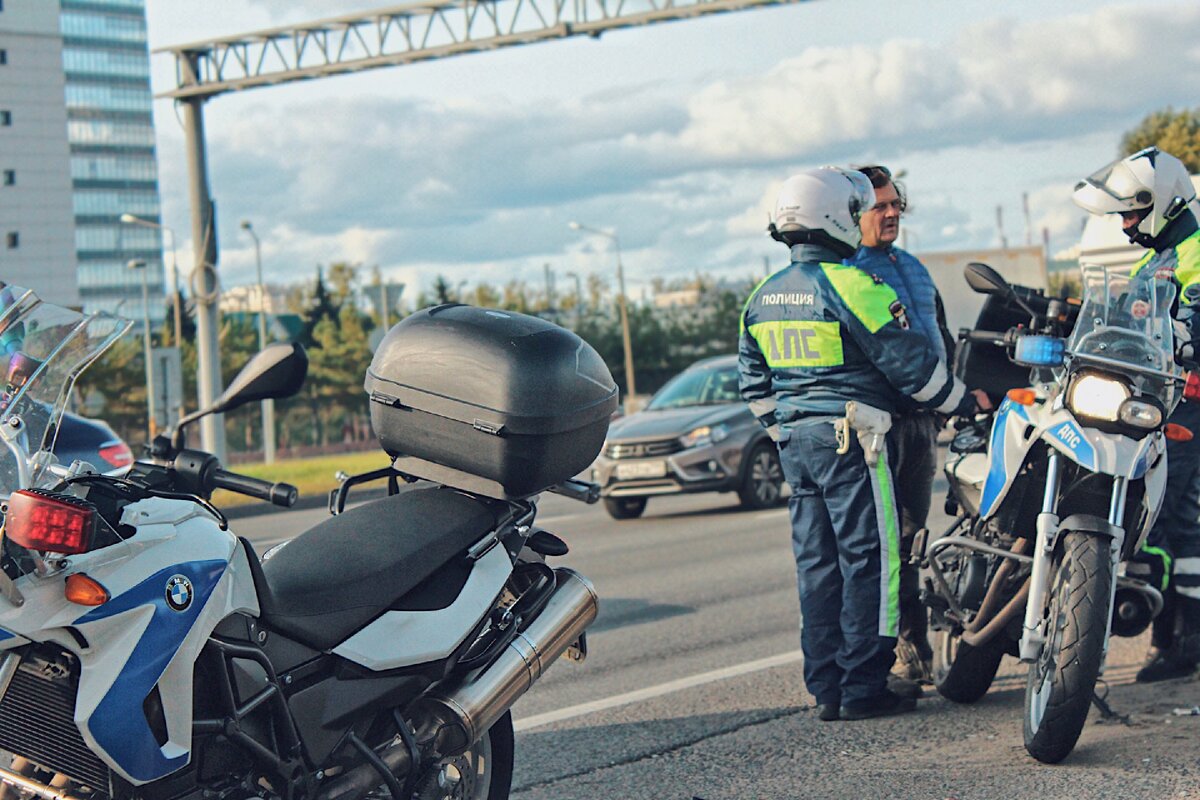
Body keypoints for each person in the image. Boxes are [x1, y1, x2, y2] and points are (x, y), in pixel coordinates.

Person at [738, 167, 989, 721]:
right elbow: (912, 367)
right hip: (856, 440)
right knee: (873, 560)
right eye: (856, 212)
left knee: (817, 566)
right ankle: (864, 687)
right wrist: (966, 402)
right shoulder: (852, 284)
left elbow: (753, 384)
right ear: (833, 218)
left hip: (798, 447)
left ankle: (827, 688)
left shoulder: (763, 294)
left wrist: (788, 432)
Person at [1073, 146, 1200, 682]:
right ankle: (1167, 630)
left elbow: (1191, 324)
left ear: (1160, 203)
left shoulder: (1194, 250)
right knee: (1156, 516)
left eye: (1130, 212)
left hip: (1189, 405)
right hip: (1157, 404)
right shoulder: (1156, 259)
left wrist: (1182, 333)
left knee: (1178, 518)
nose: (1125, 224)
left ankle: (1186, 636)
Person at [850, 166, 957, 685]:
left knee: (912, 538)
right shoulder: (848, 271)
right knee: (881, 542)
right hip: (879, 428)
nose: (891, 213)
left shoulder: (911, 266)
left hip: (921, 425)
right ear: (853, 213)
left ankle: (916, 647)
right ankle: (888, 653)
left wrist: (951, 396)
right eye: (880, 206)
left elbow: (937, 335)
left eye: (896, 204)